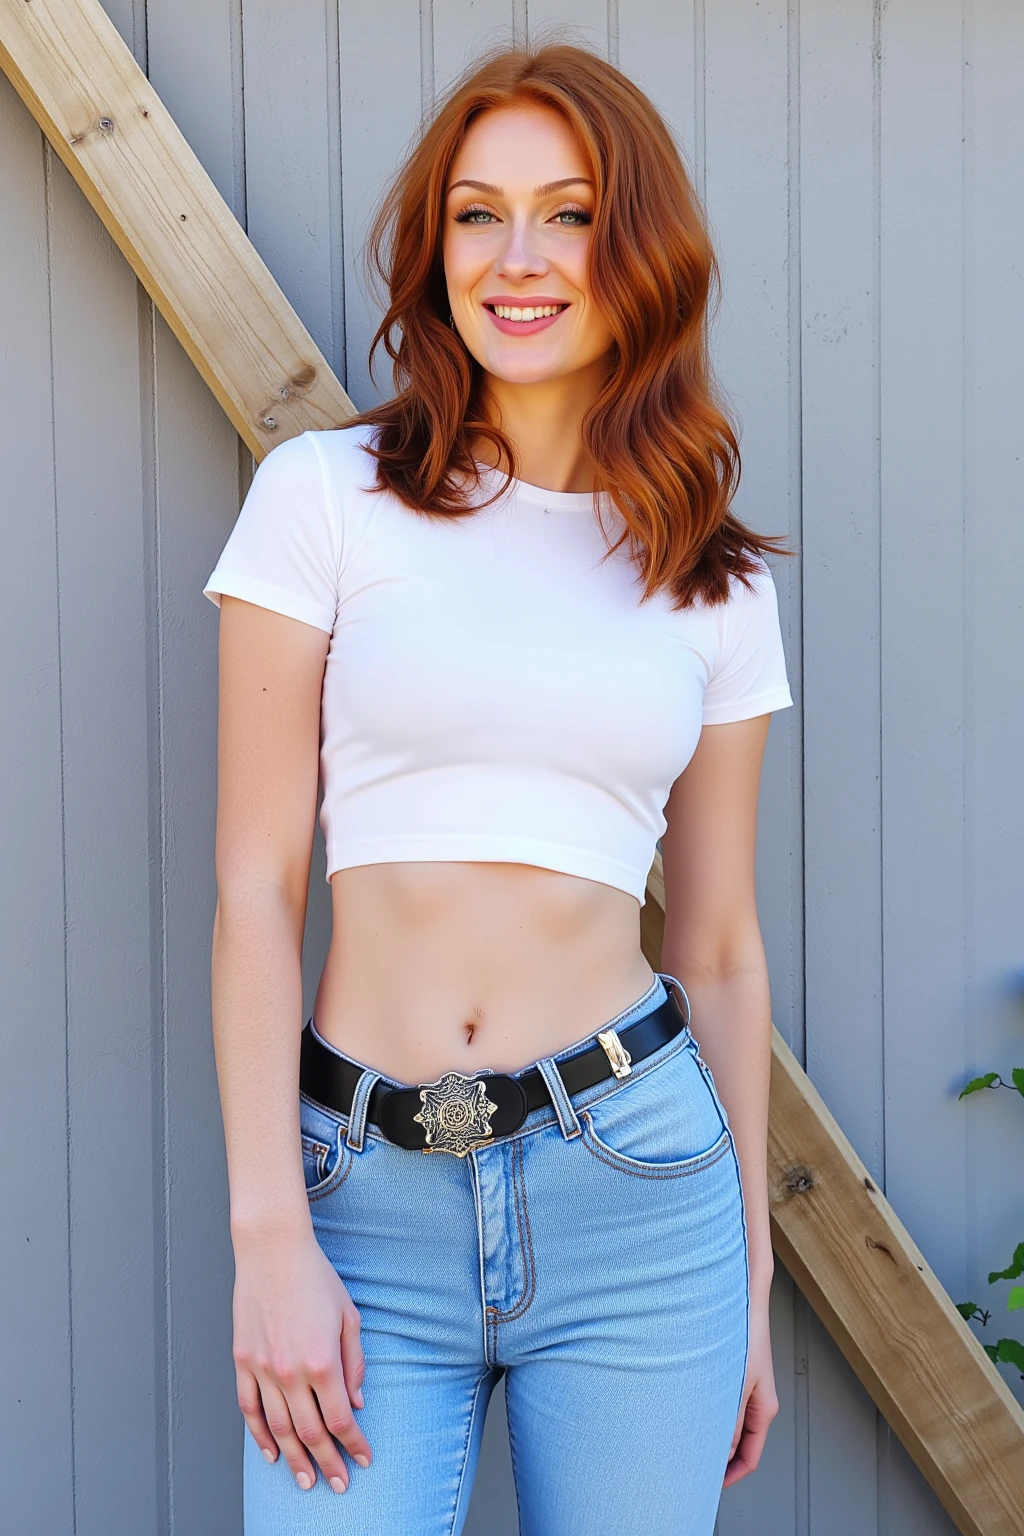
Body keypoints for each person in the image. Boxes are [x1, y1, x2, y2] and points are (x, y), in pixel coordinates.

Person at [204, 42, 793, 1536]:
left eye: (568, 213)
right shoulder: (325, 501)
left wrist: (753, 1284)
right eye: (477, 214)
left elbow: (716, 946)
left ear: (637, 250)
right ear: (435, 247)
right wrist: (268, 1227)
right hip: (358, 1200)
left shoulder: (710, 582)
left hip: (640, 1195)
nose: (516, 260)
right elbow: (256, 890)